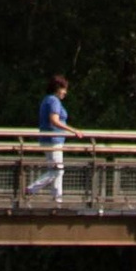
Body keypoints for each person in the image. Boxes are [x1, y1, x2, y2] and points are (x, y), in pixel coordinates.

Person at [32, 73, 80, 201]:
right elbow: (54, 120)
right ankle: (32, 189)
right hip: (53, 140)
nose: (65, 92)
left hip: (50, 140)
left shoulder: (47, 99)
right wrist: (73, 130)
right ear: (57, 88)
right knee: (57, 170)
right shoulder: (53, 100)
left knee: (56, 170)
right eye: (63, 89)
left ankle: (57, 198)